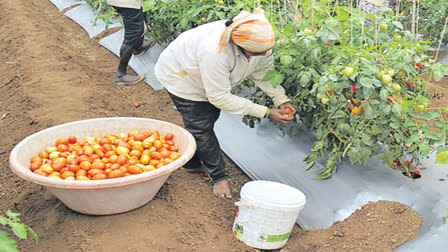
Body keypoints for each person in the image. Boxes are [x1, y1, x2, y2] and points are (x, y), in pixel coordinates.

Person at [154, 6, 295, 199]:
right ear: (240, 46)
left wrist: (280, 99)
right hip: (182, 77)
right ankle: (218, 177)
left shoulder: (258, 42)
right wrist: (265, 112)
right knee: (201, 125)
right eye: (257, 53)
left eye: (265, 51)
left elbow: (263, 72)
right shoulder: (215, 52)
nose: (263, 55)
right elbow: (219, 97)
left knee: (207, 118)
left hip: (208, 78)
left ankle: (191, 161)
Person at [107, 0, 155, 85]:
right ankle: (121, 75)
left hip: (128, 2)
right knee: (133, 33)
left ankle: (137, 48)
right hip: (128, 3)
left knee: (140, 25)